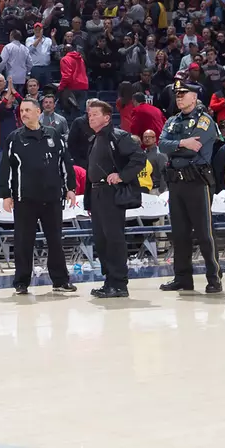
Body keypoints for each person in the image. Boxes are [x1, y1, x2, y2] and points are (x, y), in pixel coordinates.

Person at [0, 97, 76, 295]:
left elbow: (65, 163)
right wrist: (6, 195)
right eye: (21, 111)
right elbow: (5, 168)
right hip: (25, 199)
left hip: (52, 198)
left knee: (55, 240)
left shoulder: (54, 134)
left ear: (38, 112)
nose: (23, 114)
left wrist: (70, 188)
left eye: (27, 110)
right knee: (24, 242)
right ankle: (21, 282)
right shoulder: (14, 138)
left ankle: (60, 280)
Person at [157, 80, 221, 294]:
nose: (179, 96)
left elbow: (195, 150)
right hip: (176, 182)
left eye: (184, 93)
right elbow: (161, 145)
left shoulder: (204, 121)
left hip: (197, 182)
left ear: (194, 97)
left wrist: (176, 146)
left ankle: (214, 278)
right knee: (179, 233)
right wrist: (183, 143)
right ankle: (182, 278)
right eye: (177, 93)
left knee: (204, 233)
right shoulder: (173, 121)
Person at [84, 98, 145, 299]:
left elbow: (139, 158)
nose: (90, 117)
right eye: (89, 114)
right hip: (97, 193)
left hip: (111, 193)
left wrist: (121, 175)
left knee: (113, 239)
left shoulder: (118, 136)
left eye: (95, 114)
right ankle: (109, 280)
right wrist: (88, 201)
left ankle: (119, 283)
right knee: (101, 240)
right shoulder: (94, 139)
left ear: (107, 117)